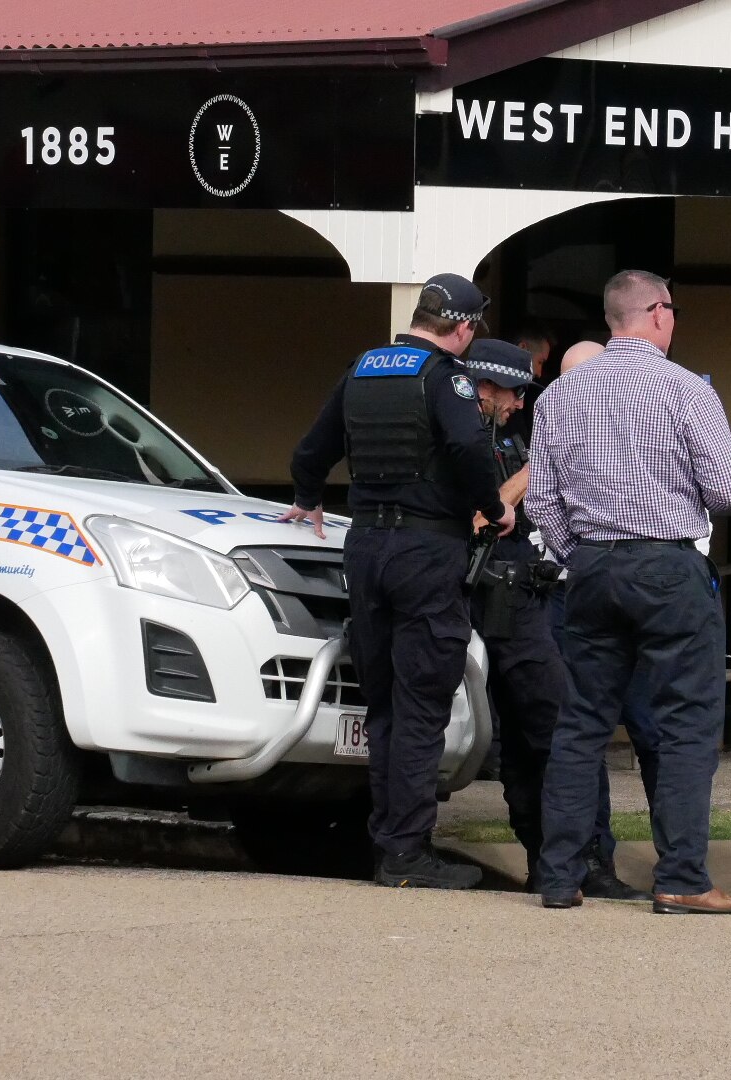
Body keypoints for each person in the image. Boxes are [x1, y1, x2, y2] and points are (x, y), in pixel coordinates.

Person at [526, 269, 731, 915]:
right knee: (686, 725)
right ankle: (681, 877)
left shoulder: (560, 394)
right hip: (668, 566)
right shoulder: (686, 388)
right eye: (672, 309)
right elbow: (726, 488)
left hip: (592, 567)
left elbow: (541, 499)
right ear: (656, 312)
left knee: (581, 726)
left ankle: (560, 877)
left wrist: (579, 555)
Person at [282, 273, 513, 889]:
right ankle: (407, 853)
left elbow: (312, 449)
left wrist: (307, 496)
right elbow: (467, 448)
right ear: (462, 327)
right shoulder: (447, 377)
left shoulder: (362, 369)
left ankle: (387, 844)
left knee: (382, 703)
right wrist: (493, 507)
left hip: (365, 550)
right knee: (421, 704)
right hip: (426, 552)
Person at [462, 338, 647, 901]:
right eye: (515, 393)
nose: (523, 403)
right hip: (491, 597)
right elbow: (479, 517)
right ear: (484, 386)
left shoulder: (532, 434)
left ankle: (590, 862)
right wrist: (533, 471)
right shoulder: (463, 435)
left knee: (559, 730)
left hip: (544, 596)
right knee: (526, 742)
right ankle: (547, 861)